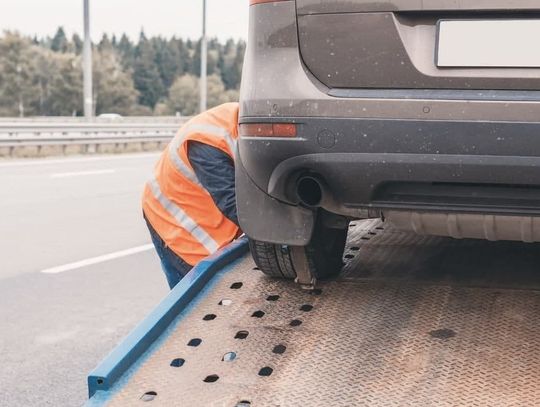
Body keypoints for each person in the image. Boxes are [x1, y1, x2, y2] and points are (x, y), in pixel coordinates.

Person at [142, 103, 241, 289]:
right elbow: (233, 203)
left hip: (203, 211)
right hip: (174, 222)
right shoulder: (208, 142)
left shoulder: (242, 119)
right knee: (195, 298)